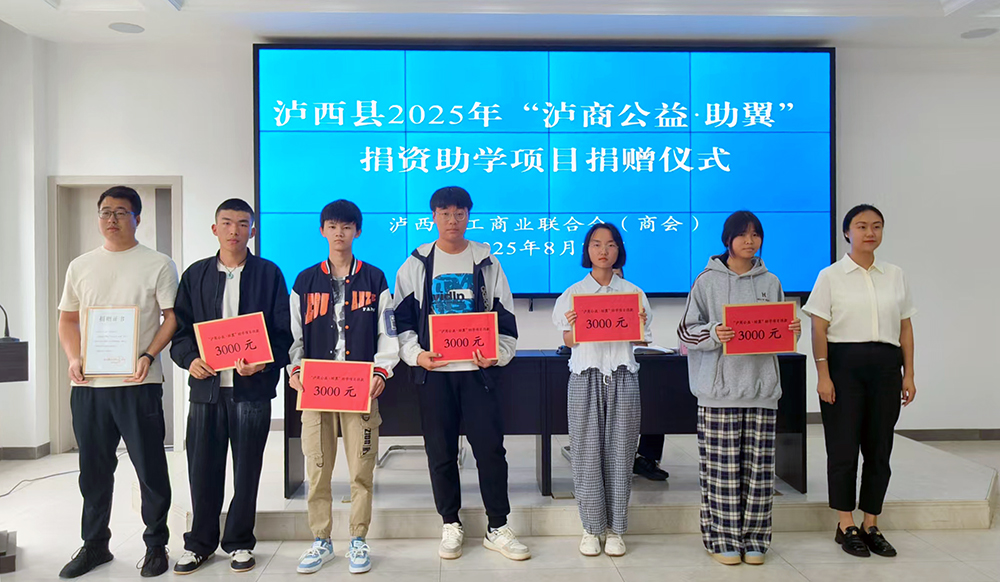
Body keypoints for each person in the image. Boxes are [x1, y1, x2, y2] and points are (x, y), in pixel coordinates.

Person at [393, 186, 529, 561]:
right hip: (435, 373)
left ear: (468, 216)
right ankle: (450, 522)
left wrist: (496, 355)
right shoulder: (416, 264)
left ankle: (497, 526)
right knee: (441, 451)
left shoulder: (487, 263)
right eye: (445, 213)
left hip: (477, 374)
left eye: (459, 213)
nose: (452, 220)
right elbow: (401, 322)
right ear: (433, 217)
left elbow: (506, 320)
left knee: (490, 450)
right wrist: (416, 355)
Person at [56, 186, 178, 578]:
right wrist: (74, 358)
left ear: (137, 218)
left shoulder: (157, 263)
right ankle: (95, 545)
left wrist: (148, 355)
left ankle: (156, 545)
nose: (112, 219)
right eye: (105, 212)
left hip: (138, 383)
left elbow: (172, 318)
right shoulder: (80, 266)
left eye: (121, 212)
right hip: (89, 387)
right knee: (93, 471)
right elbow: (67, 320)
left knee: (150, 468)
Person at [169, 198, 293, 574]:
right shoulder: (196, 275)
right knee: (202, 469)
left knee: (247, 470)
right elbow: (180, 332)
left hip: (251, 392)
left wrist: (263, 362)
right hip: (206, 391)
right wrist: (190, 359)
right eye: (227, 223)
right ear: (215, 229)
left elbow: (283, 333)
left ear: (253, 230)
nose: (234, 230)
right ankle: (200, 544)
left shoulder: (269, 274)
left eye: (242, 223)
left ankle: (239, 541)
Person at [678, 210, 800, 566]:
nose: (750, 241)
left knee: (759, 473)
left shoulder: (771, 282)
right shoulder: (706, 281)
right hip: (718, 393)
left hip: (761, 390)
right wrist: (714, 332)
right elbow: (686, 331)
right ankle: (722, 539)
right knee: (722, 473)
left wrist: (791, 330)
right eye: (742, 234)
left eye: (755, 234)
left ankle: (756, 540)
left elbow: (779, 332)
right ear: (727, 239)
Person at [290, 200, 400, 574]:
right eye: (333, 226)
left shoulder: (375, 279)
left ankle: (358, 539)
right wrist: (294, 369)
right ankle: (321, 540)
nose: (340, 233)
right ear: (323, 230)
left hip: (359, 389)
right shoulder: (305, 281)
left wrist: (382, 371)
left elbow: (388, 332)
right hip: (316, 389)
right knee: (318, 470)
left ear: (358, 231)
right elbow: (293, 335)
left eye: (347, 226)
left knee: (361, 470)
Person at [803, 204, 917, 559]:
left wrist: (909, 373)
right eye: (862, 226)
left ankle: (871, 523)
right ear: (846, 232)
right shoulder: (830, 276)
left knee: (879, 448)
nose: (870, 232)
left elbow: (905, 327)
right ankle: (845, 524)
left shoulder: (895, 274)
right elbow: (818, 329)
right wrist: (823, 374)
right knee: (843, 448)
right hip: (843, 367)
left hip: (886, 367)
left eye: (877, 226)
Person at [552, 223, 652, 557]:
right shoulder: (573, 293)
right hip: (585, 376)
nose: (603, 251)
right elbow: (568, 340)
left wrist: (636, 322)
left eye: (610, 244)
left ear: (619, 250)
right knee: (586, 453)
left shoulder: (634, 293)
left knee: (622, 453)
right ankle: (591, 528)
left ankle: (616, 529)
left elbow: (641, 338)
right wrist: (576, 326)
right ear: (587, 250)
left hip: (623, 375)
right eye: (596, 244)